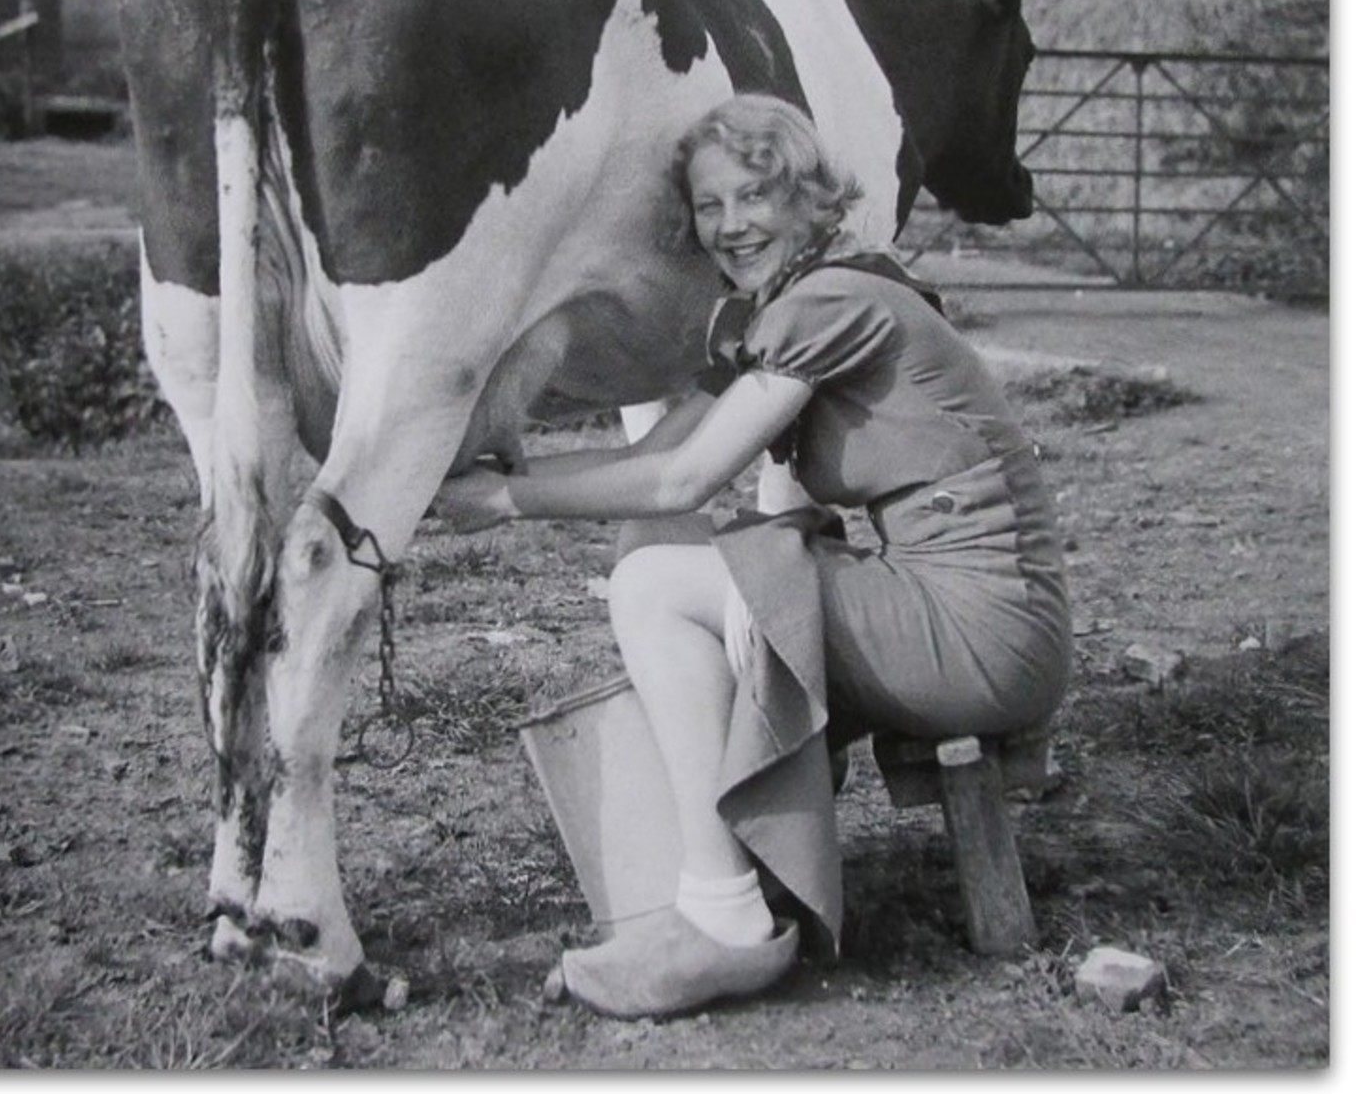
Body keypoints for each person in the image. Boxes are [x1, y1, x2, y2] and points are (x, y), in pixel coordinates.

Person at [436, 95, 1072, 1020]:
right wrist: (505, 458)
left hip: (983, 629)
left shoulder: (833, 301)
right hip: (948, 610)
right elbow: (650, 463)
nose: (731, 226)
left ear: (811, 198)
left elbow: (683, 478)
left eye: (756, 196)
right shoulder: (797, 302)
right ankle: (722, 865)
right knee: (655, 553)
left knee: (658, 581)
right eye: (709, 205)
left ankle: (724, 917)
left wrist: (500, 501)